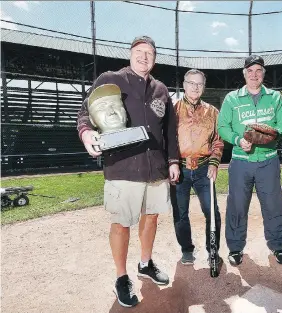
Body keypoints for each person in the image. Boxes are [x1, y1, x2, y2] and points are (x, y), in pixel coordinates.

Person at [77, 35, 180, 308]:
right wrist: (87, 134)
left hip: (155, 167)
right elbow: (85, 112)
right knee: (121, 223)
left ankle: (145, 264)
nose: (144, 56)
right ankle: (122, 277)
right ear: (130, 53)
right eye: (139, 51)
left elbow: (169, 130)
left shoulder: (160, 89)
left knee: (151, 218)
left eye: (149, 53)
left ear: (155, 59)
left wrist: (173, 161)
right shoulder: (111, 79)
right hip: (122, 166)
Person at [217, 55, 282, 266]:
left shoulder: (275, 97)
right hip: (241, 161)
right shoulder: (232, 98)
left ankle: (277, 246)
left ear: (263, 74)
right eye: (250, 71)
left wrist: (273, 133)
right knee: (237, 205)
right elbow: (222, 127)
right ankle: (235, 248)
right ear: (244, 74)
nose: (254, 74)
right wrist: (238, 140)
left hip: (268, 160)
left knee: (273, 204)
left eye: (258, 71)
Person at [171, 69, 224, 265]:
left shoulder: (213, 112)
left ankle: (213, 251)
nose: (195, 87)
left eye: (199, 84)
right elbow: (167, 141)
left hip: (204, 169)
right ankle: (186, 249)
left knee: (212, 212)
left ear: (204, 87)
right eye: (191, 83)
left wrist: (214, 161)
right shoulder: (173, 109)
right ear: (184, 85)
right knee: (180, 213)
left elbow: (218, 141)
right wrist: (171, 163)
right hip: (180, 169)